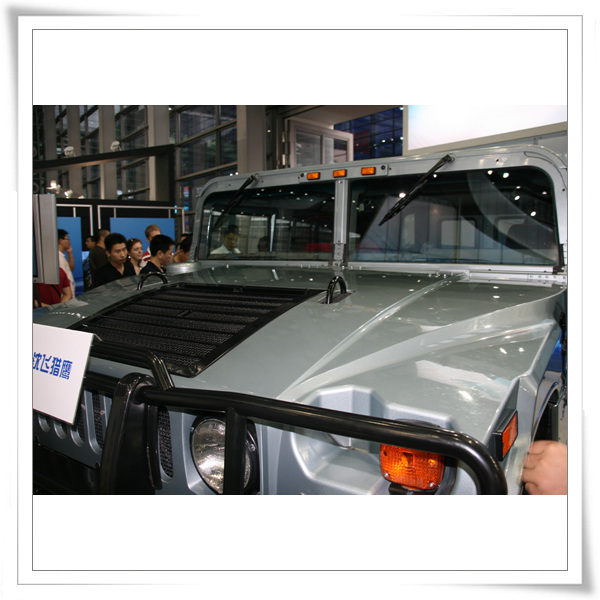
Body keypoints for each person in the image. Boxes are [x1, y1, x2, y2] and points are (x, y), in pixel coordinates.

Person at [57, 229, 76, 297]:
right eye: (67, 239)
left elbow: (71, 267)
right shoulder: (58, 258)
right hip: (66, 297)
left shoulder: (61, 256)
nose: (69, 241)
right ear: (61, 241)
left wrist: (70, 252)